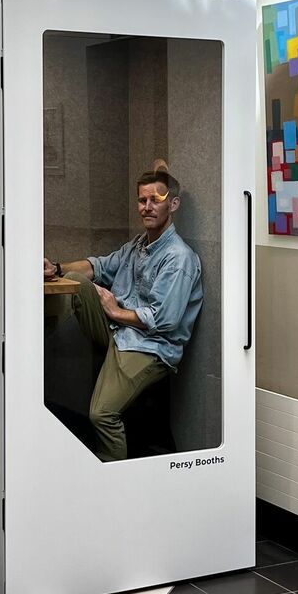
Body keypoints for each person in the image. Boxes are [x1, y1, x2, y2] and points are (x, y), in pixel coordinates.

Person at [43, 167, 203, 462]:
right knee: (77, 282)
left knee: (101, 413)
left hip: (150, 346)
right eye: (142, 200)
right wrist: (57, 268)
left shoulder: (179, 258)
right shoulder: (138, 246)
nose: (147, 207)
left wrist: (115, 311)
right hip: (120, 331)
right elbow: (101, 266)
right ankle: (33, 349)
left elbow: (163, 320)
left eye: (156, 199)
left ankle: (112, 477)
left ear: (174, 204)